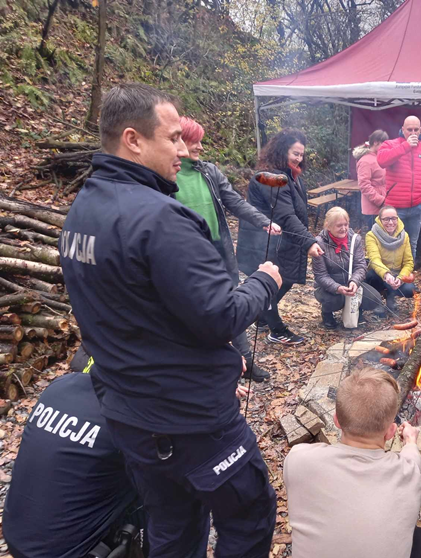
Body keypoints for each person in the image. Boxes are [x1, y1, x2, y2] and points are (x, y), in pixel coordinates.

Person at [60, 83, 280, 557]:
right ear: (133, 139)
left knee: (172, 526)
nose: (183, 149)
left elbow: (139, 310)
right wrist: (264, 280)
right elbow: (222, 317)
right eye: (173, 137)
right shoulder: (160, 218)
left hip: (130, 413)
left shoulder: (83, 209)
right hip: (192, 422)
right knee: (250, 516)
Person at [3, 346, 147, 558]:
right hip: (70, 552)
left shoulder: (59, 387)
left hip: (16, 538)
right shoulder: (129, 414)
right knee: (164, 488)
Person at [284, 367, 421, 558]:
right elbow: (412, 459)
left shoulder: (298, 459)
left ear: (337, 421)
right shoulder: (409, 477)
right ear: (391, 432)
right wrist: (410, 441)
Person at [176, 116, 280, 381]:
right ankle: (208, 367)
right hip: (185, 254)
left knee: (230, 301)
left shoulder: (208, 171)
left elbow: (234, 201)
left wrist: (263, 221)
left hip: (218, 249)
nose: (200, 147)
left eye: (200, 141)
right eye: (194, 141)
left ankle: (246, 361)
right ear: (177, 141)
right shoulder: (167, 174)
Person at [237, 129, 324, 345]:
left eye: (301, 154)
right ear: (281, 150)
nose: (299, 158)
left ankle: (260, 316)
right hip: (263, 243)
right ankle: (276, 330)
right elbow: (285, 216)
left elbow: (295, 212)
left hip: (282, 242)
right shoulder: (270, 178)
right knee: (271, 283)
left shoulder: (291, 177)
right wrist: (308, 242)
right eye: (295, 153)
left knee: (285, 280)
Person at [377, 115, 421, 256]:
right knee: (392, 243)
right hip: (394, 208)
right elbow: (382, 160)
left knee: (412, 243)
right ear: (402, 130)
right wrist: (405, 146)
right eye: (409, 130)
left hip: (416, 207)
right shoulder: (390, 144)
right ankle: (392, 275)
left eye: (416, 130)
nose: (413, 133)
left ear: (420, 130)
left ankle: (406, 275)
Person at [312, 207, 383, 329]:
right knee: (334, 301)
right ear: (328, 226)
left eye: (346, 224)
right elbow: (320, 275)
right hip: (328, 287)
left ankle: (357, 311)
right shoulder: (319, 244)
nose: (344, 228)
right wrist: (337, 288)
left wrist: (354, 281)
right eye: (339, 225)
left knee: (374, 298)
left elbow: (360, 265)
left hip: (350, 281)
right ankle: (327, 313)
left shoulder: (355, 239)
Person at [365, 205, 415, 315]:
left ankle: (390, 297)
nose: (391, 222)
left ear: (397, 219)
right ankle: (377, 301)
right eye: (386, 219)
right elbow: (374, 259)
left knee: (410, 289)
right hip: (379, 274)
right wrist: (386, 274)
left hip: (397, 273)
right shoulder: (371, 235)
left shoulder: (404, 236)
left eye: (393, 218)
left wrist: (401, 278)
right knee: (371, 276)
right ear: (380, 220)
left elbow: (408, 262)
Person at [354, 129, 389, 229]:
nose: (385, 148)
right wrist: (380, 200)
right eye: (383, 144)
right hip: (373, 208)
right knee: (376, 238)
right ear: (375, 142)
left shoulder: (378, 157)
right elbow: (364, 185)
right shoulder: (365, 161)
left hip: (383, 204)